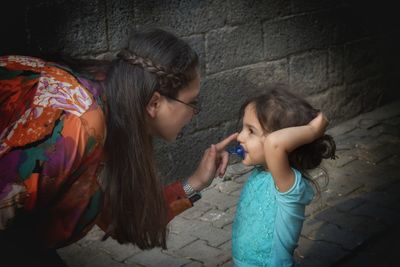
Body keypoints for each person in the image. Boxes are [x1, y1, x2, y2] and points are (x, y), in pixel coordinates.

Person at [0, 28, 237, 266]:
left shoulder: (117, 99)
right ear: (154, 103)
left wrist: (195, 182)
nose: (195, 113)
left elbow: (122, 219)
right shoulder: (79, 127)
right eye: (192, 103)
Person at [231, 86, 336, 267]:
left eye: (251, 131)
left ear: (285, 140)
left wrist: (313, 130)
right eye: (243, 128)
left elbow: (274, 144)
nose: (240, 136)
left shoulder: (287, 186)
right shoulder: (261, 172)